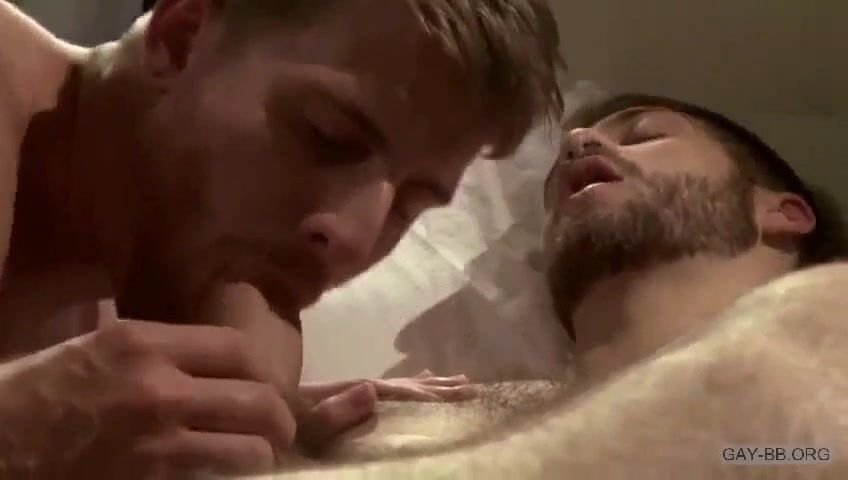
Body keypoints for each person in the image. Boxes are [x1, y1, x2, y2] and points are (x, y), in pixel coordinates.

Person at [0, 0, 565, 477]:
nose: (355, 239)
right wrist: (16, 430)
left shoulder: (157, 262)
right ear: (180, 40)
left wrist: (266, 435)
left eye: (409, 205)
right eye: (329, 137)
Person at [272, 93, 848, 478]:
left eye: (644, 134)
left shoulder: (815, 394)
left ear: (784, 213)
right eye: (552, 190)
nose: (577, 140)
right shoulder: (395, 422)